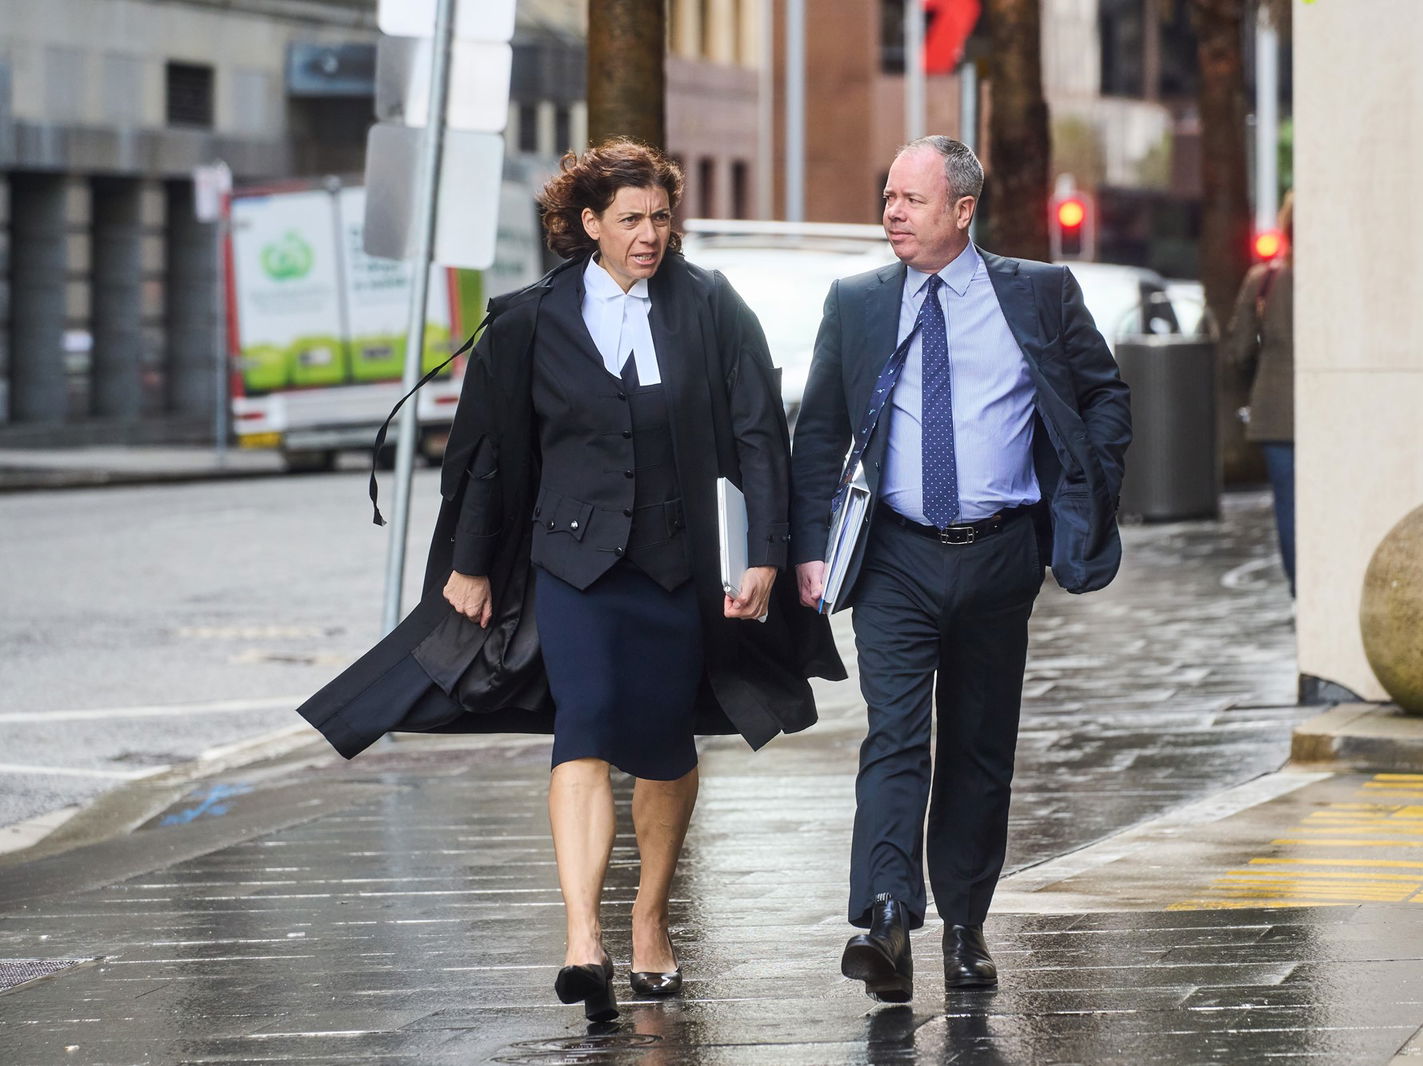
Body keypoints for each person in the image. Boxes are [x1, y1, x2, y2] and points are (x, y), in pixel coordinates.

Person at [295, 139, 843, 1023]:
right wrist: (470, 564)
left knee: (665, 748)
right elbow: (489, 450)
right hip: (573, 566)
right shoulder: (529, 319)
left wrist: (765, 554)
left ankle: (650, 919)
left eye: (660, 216)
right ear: (587, 224)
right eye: (630, 219)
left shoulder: (710, 306)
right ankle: (582, 937)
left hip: (676, 567)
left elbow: (757, 436)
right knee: (581, 732)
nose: (649, 234)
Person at [789, 136, 1131, 1001]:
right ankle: (888, 919)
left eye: (911, 199)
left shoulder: (1040, 294)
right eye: (888, 198)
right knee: (895, 737)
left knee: (979, 748)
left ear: (963, 211)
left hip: (999, 555)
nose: (892, 213)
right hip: (895, 553)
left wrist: (1085, 488)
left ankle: (966, 924)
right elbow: (820, 430)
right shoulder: (858, 302)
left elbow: (1103, 392)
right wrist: (807, 546)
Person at [1225, 190, 1295, 596]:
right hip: (1331, 411)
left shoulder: (1264, 279)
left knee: (1287, 504)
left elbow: (1239, 350)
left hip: (1274, 408)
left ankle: (1298, 591)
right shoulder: (1333, 281)